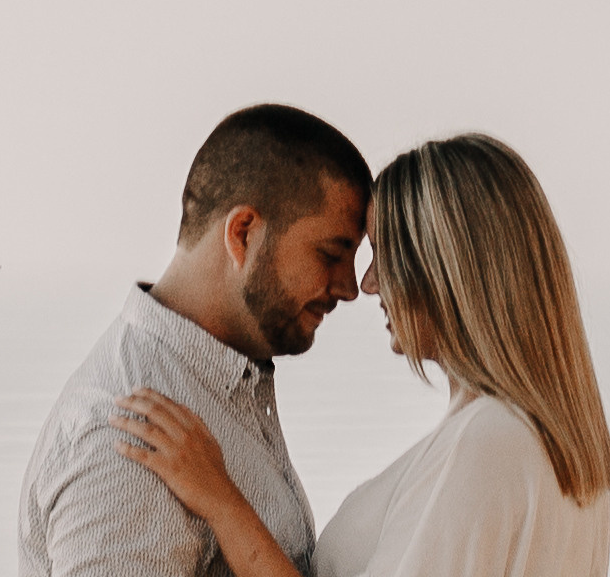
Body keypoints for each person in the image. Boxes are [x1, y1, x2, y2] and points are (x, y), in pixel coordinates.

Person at [120, 133, 610, 577]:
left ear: (449, 269)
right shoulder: (556, 444)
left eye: (385, 255)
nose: (367, 283)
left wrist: (219, 499)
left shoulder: (488, 440)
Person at [21, 104, 372, 575]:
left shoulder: (219, 386)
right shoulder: (127, 439)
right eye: (331, 254)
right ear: (243, 233)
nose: (350, 288)